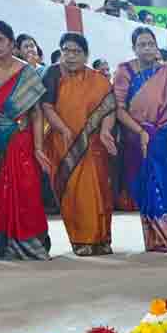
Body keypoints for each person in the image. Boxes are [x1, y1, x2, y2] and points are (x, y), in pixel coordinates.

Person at [0, 20, 50, 259]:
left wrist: (38, 148)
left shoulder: (26, 71)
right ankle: (4, 244)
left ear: (11, 43)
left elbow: (36, 112)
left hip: (23, 139)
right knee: (0, 194)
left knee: (28, 191)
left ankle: (32, 243)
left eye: (0, 40)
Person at [41, 32, 116, 256]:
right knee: (73, 191)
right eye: (66, 50)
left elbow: (109, 108)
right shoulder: (52, 74)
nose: (71, 56)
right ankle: (81, 239)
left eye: (76, 51)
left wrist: (105, 131)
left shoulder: (98, 80)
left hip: (94, 146)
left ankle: (101, 238)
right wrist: (63, 128)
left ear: (86, 55)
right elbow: (47, 107)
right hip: (64, 144)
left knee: (99, 191)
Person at [114, 27, 167, 252]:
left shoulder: (166, 72)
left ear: (156, 46)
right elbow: (119, 109)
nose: (146, 48)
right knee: (149, 188)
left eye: (150, 44)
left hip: (164, 137)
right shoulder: (124, 71)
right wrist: (140, 131)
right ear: (134, 48)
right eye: (141, 45)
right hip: (138, 140)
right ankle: (157, 240)